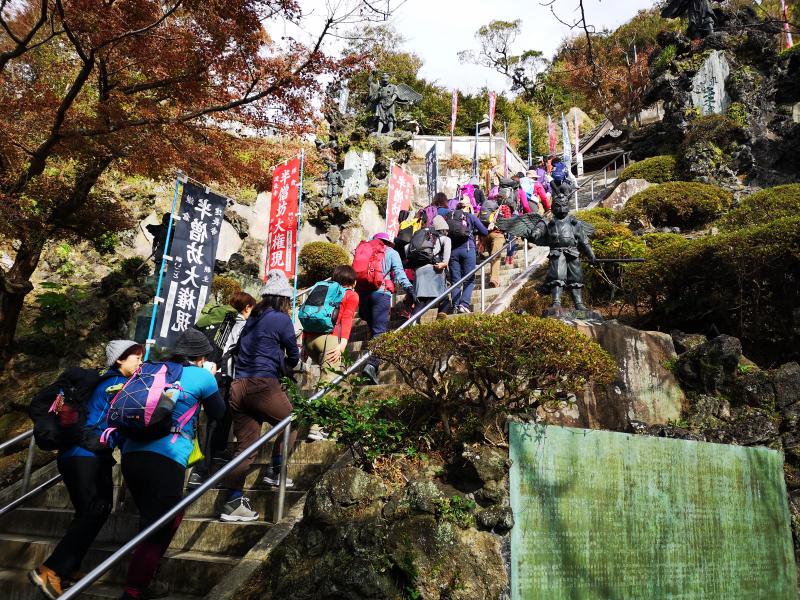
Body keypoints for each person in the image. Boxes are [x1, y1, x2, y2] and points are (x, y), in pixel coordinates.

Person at [28, 341, 144, 600]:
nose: (140, 363)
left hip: (83, 455)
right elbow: (127, 419)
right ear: (119, 361)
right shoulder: (115, 386)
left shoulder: (103, 384)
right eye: (136, 358)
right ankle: (51, 570)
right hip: (85, 456)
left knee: (95, 510)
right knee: (93, 511)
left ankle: (71, 566)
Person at [119, 329, 224, 600]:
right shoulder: (201, 375)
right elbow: (219, 413)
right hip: (167, 455)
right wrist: (210, 379)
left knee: (150, 518)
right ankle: (134, 589)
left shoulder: (152, 368)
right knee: (165, 522)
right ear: (201, 356)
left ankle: (146, 577)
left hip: (131, 453)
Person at [220, 270, 300, 522]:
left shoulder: (253, 318)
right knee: (292, 422)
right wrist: (287, 362)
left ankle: (232, 502)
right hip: (262, 384)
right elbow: (294, 354)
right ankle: (277, 469)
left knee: (246, 447)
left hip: (238, 386)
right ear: (283, 300)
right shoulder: (281, 318)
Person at [187, 291, 256, 489]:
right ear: (247, 307)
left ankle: (215, 454)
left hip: (209, 373)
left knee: (217, 418)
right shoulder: (239, 322)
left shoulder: (218, 319)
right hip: (224, 376)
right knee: (216, 421)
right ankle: (200, 470)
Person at [358, 233, 414, 385]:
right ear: (388, 242)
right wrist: (409, 288)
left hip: (362, 295)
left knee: (372, 329)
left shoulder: (364, 250)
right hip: (380, 294)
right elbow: (399, 272)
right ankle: (372, 365)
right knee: (380, 332)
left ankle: (372, 368)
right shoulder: (391, 252)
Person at [302, 265, 359, 385]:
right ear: (353, 282)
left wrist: (304, 343)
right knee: (329, 384)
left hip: (308, 341)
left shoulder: (323, 290)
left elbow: (310, 313)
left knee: (341, 380)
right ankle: (317, 404)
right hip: (329, 341)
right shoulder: (351, 295)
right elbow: (347, 319)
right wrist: (343, 344)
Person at [447, 200, 489, 313]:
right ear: (468, 207)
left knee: (455, 281)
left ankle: (455, 306)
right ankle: (464, 304)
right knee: (469, 278)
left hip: (453, 251)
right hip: (468, 249)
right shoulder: (470, 216)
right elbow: (484, 232)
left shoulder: (450, 218)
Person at [413, 216, 451, 316]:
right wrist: (444, 264)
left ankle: (413, 324)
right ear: (444, 229)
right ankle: (441, 316)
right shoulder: (445, 239)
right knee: (444, 299)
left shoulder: (422, 239)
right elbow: (446, 260)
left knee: (421, 300)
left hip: (419, 270)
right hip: (434, 270)